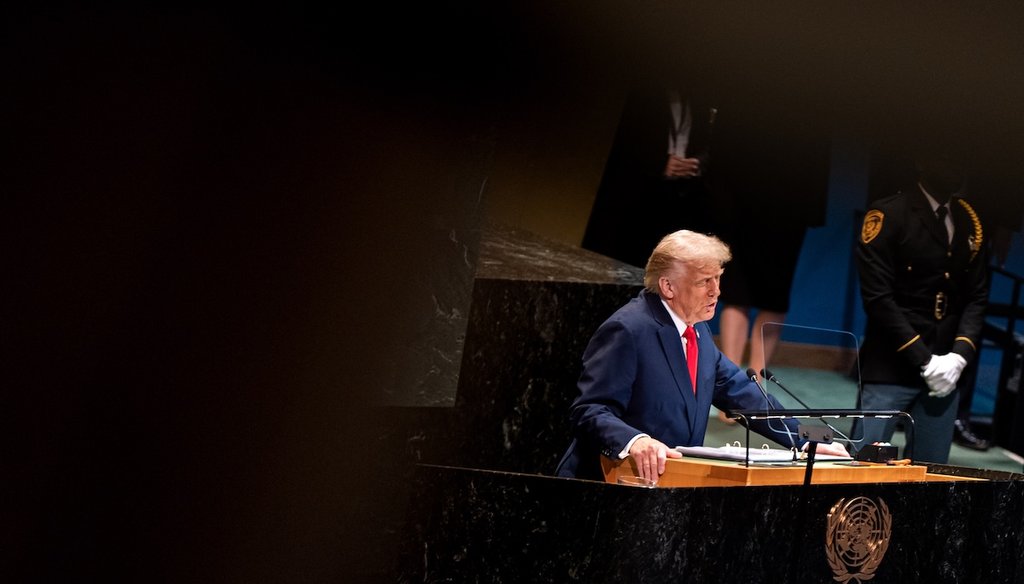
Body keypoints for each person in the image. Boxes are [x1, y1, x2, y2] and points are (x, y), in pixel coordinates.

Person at [555, 230, 849, 482]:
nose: (716, 292)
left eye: (718, 279)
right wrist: (635, 441)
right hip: (606, 485)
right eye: (703, 282)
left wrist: (805, 439)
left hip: (669, 482)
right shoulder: (629, 330)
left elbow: (742, 393)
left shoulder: (697, 330)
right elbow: (589, 410)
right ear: (668, 286)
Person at [855, 146, 989, 463]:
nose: (956, 168)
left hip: (946, 373)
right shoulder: (889, 214)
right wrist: (925, 360)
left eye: (961, 160)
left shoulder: (969, 222)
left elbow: (976, 296)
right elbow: (878, 298)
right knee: (860, 470)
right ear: (922, 161)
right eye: (946, 157)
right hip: (891, 364)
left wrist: (959, 356)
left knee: (930, 478)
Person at [581, 81, 719, 268]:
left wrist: (698, 163)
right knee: (629, 256)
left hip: (682, 193)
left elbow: (707, 144)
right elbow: (625, 140)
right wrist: (660, 164)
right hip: (640, 191)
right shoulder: (645, 94)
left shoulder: (698, 100)